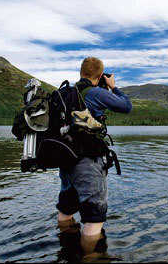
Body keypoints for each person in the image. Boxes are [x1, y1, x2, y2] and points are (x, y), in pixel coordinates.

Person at [55, 57, 132, 259]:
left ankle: (67, 248)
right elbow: (126, 106)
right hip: (87, 160)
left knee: (66, 208)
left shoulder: (66, 93)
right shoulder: (96, 92)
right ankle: (90, 258)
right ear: (99, 76)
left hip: (65, 159)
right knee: (93, 217)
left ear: (81, 72)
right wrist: (113, 88)